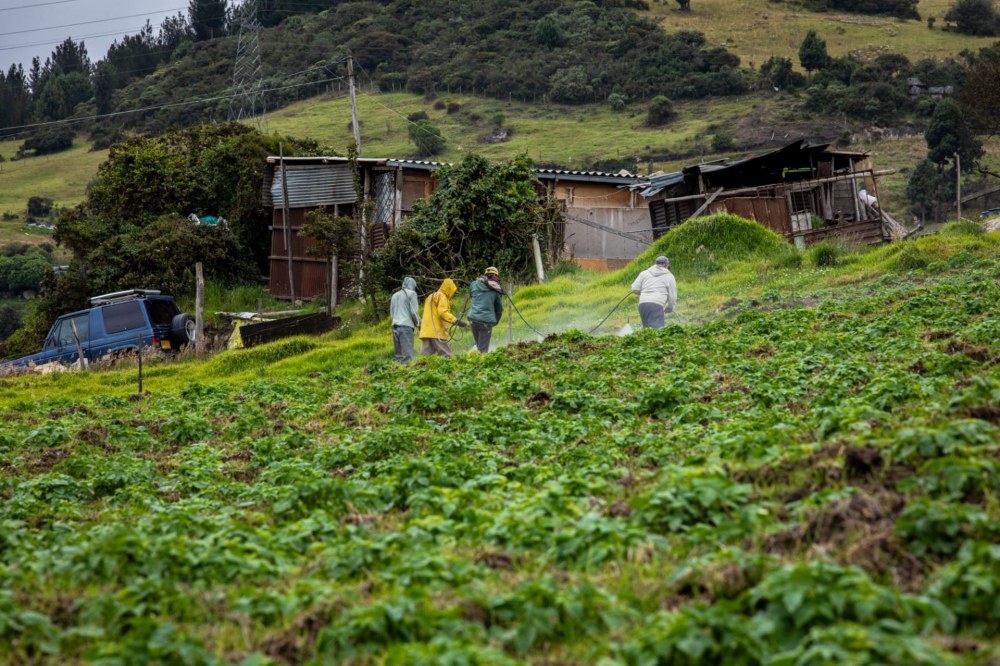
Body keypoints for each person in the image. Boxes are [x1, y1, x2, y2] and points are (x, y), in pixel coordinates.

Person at [418, 277, 466, 357]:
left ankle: (417, 369)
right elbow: (442, 312)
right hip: (436, 331)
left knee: (425, 359)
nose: (453, 294)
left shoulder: (430, 296)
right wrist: (456, 321)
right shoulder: (442, 296)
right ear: (449, 289)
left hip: (426, 331)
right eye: (453, 292)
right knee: (447, 356)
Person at [630, 255, 676, 329]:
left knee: (647, 330)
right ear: (665, 265)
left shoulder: (644, 273)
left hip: (642, 305)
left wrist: (645, 293)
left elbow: (634, 289)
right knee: (657, 330)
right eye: (668, 266)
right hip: (656, 305)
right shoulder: (669, 276)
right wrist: (670, 308)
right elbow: (672, 296)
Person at [467, 267, 504, 353]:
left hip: (473, 319)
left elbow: (472, 296)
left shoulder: (474, 284)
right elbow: (499, 310)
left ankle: (473, 363)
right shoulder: (495, 289)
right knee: (483, 350)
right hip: (486, 322)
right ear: (496, 276)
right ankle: (481, 365)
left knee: (479, 345)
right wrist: (495, 322)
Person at [389, 276, 421, 363]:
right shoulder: (412, 294)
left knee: (399, 356)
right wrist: (419, 323)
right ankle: (409, 374)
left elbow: (392, 314)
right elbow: (414, 312)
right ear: (412, 285)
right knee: (408, 356)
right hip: (406, 327)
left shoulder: (394, 295)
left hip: (395, 326)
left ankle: (399, 372)